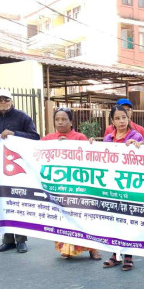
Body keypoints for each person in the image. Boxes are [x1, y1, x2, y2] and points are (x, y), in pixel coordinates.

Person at [0, 88, 40, 253]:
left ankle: (21, 240)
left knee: (18, 201)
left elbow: (35, 137)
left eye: (6, 99)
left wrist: (15, 134)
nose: (3, 102)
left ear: (11, 101)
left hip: (18, 168)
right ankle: (8, 240)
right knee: (2, 203)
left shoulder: (22, 117)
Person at [41, 108, 102, 260]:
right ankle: (66, 249)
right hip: (59, 188)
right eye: (57, 119)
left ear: (71, 122)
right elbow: (35, 153)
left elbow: (88, 158)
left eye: (64, 119)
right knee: (63, 218)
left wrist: (72, 145)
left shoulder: (80, 138)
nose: (60, 122)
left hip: (78, 187)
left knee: (84, 218)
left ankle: (93, 249)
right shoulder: (48, 139)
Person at [99, 105, 144, 271]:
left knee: (128, 221)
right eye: (117, 118)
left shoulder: (136, 136)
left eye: (124, 117)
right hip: (112, 184)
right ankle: (115, 254)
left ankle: (129, 256)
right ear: (112, 121)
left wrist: (137, 146)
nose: (121, 121)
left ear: (128, 118)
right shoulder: (108, 139)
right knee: (114, 220)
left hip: (129, 185)